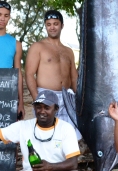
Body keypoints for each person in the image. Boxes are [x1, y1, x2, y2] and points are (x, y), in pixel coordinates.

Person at [25, 10, 80, 139]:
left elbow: (74, 77)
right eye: (49, 24)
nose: (52, 27)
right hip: (45, 95)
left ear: (62, 25)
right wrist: (38, 100)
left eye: (55, 23)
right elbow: (29, 74)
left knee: (68, 136)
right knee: (46, 136)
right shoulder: (38, 47)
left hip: (66, 97)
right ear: (45, 26)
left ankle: (66, 159)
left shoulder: (68, 51)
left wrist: (79, 100)